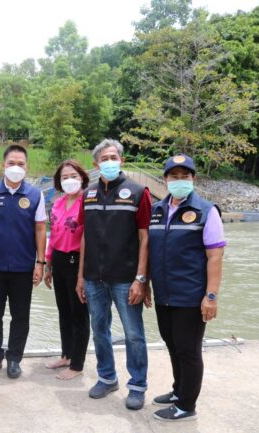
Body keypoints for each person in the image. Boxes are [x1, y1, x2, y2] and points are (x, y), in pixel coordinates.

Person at [76, 138, 152, 410]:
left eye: (113, 157)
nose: (109, 162)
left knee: (133, 334)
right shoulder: (88, 194)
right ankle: (107, 377)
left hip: (125, 278)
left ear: (122, 160)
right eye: (104, 159)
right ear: (96, 164)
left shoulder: (138, 192)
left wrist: (141, 279)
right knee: (99, 330)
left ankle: (137, 385)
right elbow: (84, 236)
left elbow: (145, 238)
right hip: (93, 277)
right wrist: (81, 276)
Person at [148, 154, 225, 422]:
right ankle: (178, 391)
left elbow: (215, 256)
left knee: (188, 350)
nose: (179, 180)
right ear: (165, 179)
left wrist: (211, 296)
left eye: (185, 176)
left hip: (191, 297)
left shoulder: (206, 211)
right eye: (174, 176)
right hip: (164, 294)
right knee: (172, 345)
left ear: (193, 179)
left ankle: (186, 405)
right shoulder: (157, 210)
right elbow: (152, 250)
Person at [0, 144, 46, 379]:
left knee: (21, 315)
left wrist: (40, 263)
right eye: (11, 163)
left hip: (23, 267)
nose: (16, 167)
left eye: (20, 164)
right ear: (3, 165)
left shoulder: (35, 195)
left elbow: (40, 229)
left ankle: (14, 358)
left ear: (27, 167)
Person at [43, 160, 90, 380]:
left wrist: (82, 274)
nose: (69, 180)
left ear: (82, 178)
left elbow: (89, 238)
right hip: (59, 260)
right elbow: (53, 235)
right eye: (64, 177)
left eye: (73, 176)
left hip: (78, 261)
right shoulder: (58, 202)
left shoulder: (87, 202)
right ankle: (66, 355)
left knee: (79, 313)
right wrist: (48, 264)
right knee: (64, 311)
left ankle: (77, 364)